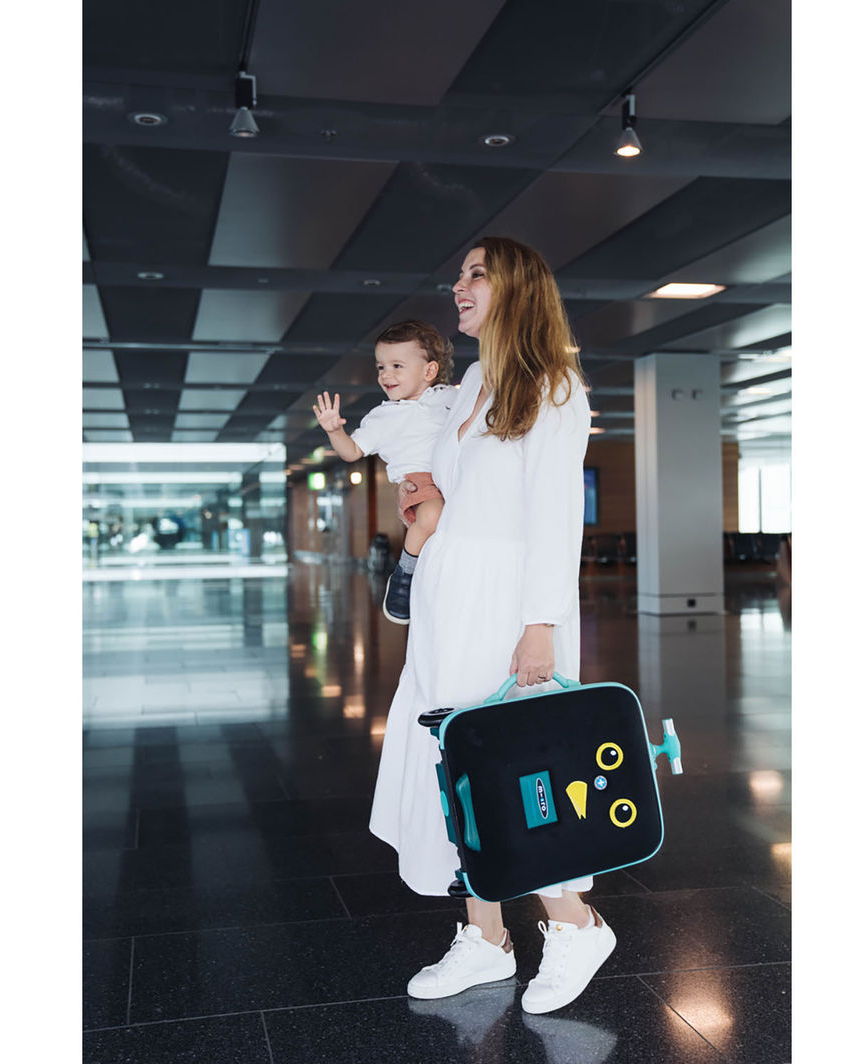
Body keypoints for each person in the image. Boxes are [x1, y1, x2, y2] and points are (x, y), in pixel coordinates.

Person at [369, 237, 615, 1015]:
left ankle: (575, 927)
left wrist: (540, 623)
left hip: (508, 602)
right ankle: (486, 938)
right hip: (451, 601)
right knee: (457, 768)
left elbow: (554, 517)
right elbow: (457, 485)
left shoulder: (555, 387)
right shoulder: (473, 380)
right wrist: (426, 504)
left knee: (516, 766)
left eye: (476, 273)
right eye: (459, 273)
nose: (459, 284)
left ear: (516, 288)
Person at [313, 320, 455, 624]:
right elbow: (352, 451)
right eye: (380, 367)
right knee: (432, 515)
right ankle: (405, 573)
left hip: (455, 477)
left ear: (429, 371)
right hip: (421, 480)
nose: (385, 375)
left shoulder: (449, 398)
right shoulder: (383, 417)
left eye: (396, 366)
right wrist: (335, 431)